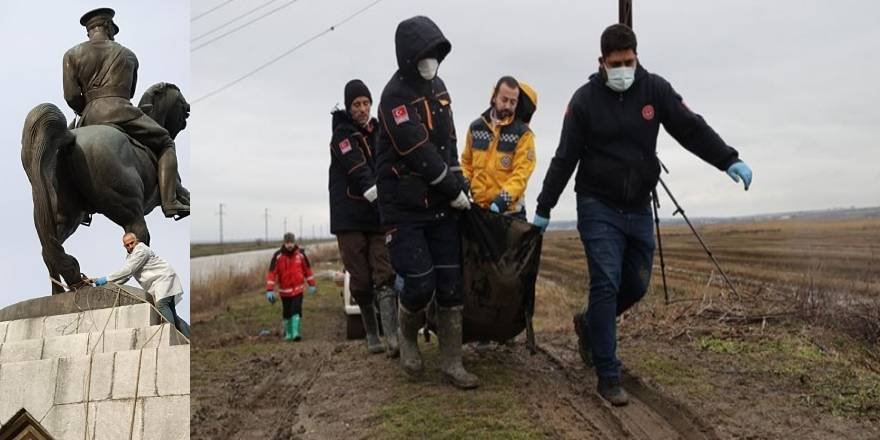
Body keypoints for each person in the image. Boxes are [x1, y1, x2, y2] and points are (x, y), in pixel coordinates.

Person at [533, 24, 753, 406]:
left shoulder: (655, 90)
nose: (623, 70)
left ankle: (589, 324)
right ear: (601, 62)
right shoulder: (584, 101)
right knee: (605, 280)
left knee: (635, 284)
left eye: (629, 62)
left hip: (637, 205)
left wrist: (727, 159)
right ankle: (608, 373)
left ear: (636, 56)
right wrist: (543, 207)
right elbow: (565, 156)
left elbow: (690, 128)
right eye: (615, 63)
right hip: (597, 204)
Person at [375, 16, 478, 389]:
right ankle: (406, 332)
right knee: (420, 283)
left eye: (435, 53)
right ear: (408, 55)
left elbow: (447, 145)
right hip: (403, 208)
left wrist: (460, 184)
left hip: (441, 206)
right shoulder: (393, 99)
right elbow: (418, 151)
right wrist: (454, 190)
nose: (430, 60)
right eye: (424, 53)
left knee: (451, 284)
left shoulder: (440, 88)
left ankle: (452, 362)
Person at [63, 7, 189, 219]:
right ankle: (171, 201)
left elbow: (71, 96)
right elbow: (129, 92)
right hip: (121, 111)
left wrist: (87, 109)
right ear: (108, 27)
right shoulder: (128, 55)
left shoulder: (72, 54)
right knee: (166, 142)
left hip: (88, 116)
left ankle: (79, 203)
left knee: (66, 150)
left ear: (90, 30)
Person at [329, 79, 398, 356]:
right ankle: (372, 333)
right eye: (356, 104)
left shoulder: (379, 132)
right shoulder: (342, 137)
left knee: (385, 272)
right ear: (349, 106)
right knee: (359, 279)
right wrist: (377, 193)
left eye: (366, 103)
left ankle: (392, 336)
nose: (362, 109)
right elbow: (358, 169)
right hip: (350, 218)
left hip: (378, 217)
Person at [461, 76, 537, 220]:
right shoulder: (475, 128)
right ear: (495, 96)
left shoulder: (523, 134)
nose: (508, 105)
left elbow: (521, 174)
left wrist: (501, 202)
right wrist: (463, 187)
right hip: (478, 212)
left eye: (513, 102)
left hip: (510, 215)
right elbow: (466, 163)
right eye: (504, 100)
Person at [93, 233, 189, 338]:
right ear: (124, 246)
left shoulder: (141, 250)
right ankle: (188, 336)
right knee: (172, 314)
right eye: (127, 245)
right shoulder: (132, 256)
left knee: (161, 306)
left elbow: (128, 270)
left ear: (136, 241)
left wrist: (106, 279)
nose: (130, 246)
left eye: (132, 243)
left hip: (163, 279)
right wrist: (108, 284)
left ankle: (172, 336)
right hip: (162, 281)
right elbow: (126, 276)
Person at [265, 233, 317, 341]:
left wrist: (312, 284)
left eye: (291, 242)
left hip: (298, 290)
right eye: (287, 242)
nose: (289, 245)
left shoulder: (301, 255)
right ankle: (288, 333)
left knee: (296, 309)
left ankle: (296, 333)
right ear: (284, 243)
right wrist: (269, 289)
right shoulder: (277, 256)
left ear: (295, 242)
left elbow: (307, 270)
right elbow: (272, 273)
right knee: (287, 312)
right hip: (284, 291)